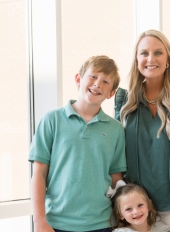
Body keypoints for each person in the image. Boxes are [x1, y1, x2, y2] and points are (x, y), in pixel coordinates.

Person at [29, 55, 127, 232]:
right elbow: (39, 174)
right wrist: (39, 221)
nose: (97, 84)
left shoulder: (116, 129)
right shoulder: (52, 120)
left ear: (111, 92)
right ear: (78, 79)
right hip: (56, 224)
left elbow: (116, 179)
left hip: (102, 224)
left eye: (105, 81)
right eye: (93, 76)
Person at [115, 29, 170, 225]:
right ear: (136, 60)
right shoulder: (125, 103)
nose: (150, 58)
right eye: (144, 53)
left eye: (158, 52)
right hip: (136, 211)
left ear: (168, 59)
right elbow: (116, 159)